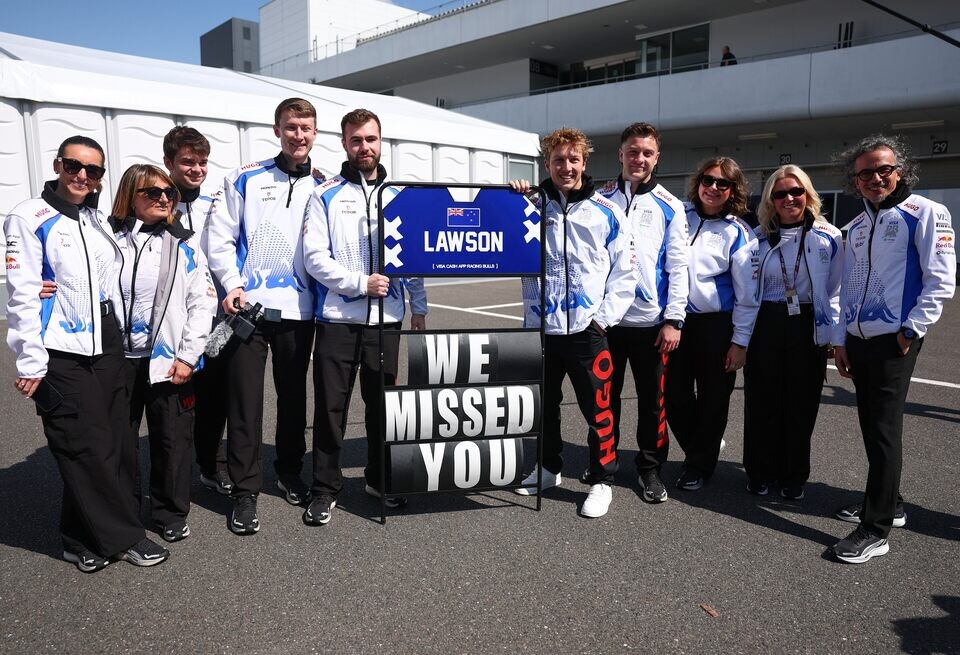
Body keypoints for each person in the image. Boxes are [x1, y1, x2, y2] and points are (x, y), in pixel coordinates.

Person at [4, 136, 169, 571]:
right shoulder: (29, 216)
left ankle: (78, 539)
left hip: (108, 342)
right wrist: (30, 361)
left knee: (114, 442)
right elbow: (20, 295)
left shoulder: (95, 220)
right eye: (74, 166)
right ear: (58, 164)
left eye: (93, 170)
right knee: (83, 445)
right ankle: (126, 536)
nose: (82, 176)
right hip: (62, 348)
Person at [830, 135, 955, 564]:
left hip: (895, 341)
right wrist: (843, 339)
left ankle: (876, 528)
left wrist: (911, 330)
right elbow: (848, 287)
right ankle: (890, 503)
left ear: (900, 171)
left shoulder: (925, 213)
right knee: (870, 424)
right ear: (856, 180)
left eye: (884, 169)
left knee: (883, 430)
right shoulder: (857, 224)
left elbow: (941, 280)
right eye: (865, 173)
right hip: (859, 340)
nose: (875, 178)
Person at [300, 108, 428, 525]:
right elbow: (314, 258)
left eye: (370, 139)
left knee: (383, 407)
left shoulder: (401, 196)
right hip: (337, 319)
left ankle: (379, 479)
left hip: (386, 323)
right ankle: (324, 488)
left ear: (380, 141)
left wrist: (419, 306)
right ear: (343, 144)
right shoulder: (325, 194)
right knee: (331, 409)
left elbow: (415, 256)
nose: (364, 147)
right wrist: (359, 283)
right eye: (356, 140)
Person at [206, 98, 323, 535]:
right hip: (247, 311)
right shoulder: (243, 177)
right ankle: (244, 491)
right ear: (277, 130)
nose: (299, 135)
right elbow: (218, 236)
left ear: (315, 133)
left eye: (306, 128)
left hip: (300, 311)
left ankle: (290, 472)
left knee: (294, 400)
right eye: (291, 127)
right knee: (245, 403)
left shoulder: (326, 184)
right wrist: (232, 283)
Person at [510, 127, 637, 518]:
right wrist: (512, 198)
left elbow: (625, 273)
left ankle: (602, 480)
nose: (566, 167)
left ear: (584, 162)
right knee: (544, 407)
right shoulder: (529, 206)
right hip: (542, 331)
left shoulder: (607, 212)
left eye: (574, 159)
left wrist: (601, 321)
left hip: (587, 332)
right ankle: (549, 468)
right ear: (546, 163)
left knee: (599, 408)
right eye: (558, 160)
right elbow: (495, 233)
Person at [110, 164, 217, 542]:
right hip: (115, 362)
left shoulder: (184, 242)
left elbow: (202, 303)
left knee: (172, 441)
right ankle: (122, 510)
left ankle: (169, 512)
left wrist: (188, 356)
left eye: (167, 194)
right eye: (151, 193)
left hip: (168, 360)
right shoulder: (106, 237)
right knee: (118, 442)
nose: (162, 199)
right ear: (129, 196)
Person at [598, 122, 688, 504]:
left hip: (652, 324)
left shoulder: (670, 205)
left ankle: (650, 469)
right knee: (605, 398)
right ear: (620, 154)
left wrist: (673, 319)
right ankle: (604, 463)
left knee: (653, 403)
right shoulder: (598, 198)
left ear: (656, 158)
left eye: (647, 153)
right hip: (606, 322)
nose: (639, 159)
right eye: (632, 151)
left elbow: (678, 266)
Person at [743, 165, 842, 500]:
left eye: (796, 192)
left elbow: (835, 289)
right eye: (780, 193)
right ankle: (760, 472)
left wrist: (831, 331)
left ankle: (794, 475)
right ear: (770, 200)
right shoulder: (755, 239)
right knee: (762, 401)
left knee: (801, 403)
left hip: (807, 322)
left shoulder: (829, 236)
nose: (789, 199)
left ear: (808, 195)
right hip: (766, 322)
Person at [666, 157, 759, 491]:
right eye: (708, 180)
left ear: (732, 190)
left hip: (718, 326)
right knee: (673, 395)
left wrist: (740, 342)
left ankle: (699, 467)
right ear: (698, 182)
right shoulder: (679, 218)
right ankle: (702, 445)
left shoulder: (739, 232)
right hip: (677, 321)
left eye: (723, 184)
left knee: (713, 399)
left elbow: (749, 295)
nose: (713, 188)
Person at [162, 126, 233, 495]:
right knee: (175, 406)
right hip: (170, 325)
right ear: (168, 162)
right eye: (187, 161)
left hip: (216, 322)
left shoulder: (216, 205)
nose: (196, 169)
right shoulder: (155, 204)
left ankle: (211, 464)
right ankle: (171, 481)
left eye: (202, 162)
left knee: (215, 399)